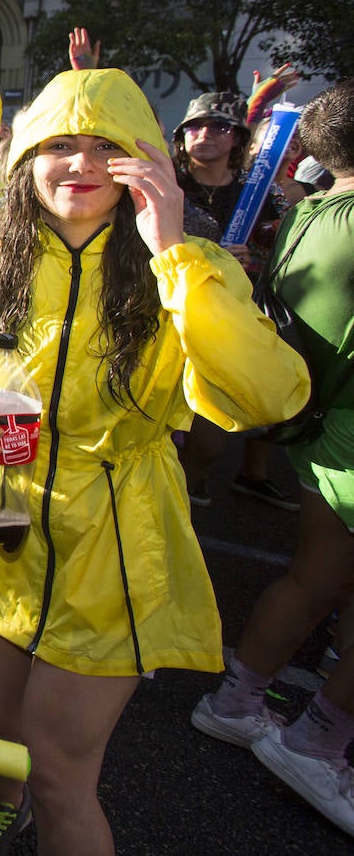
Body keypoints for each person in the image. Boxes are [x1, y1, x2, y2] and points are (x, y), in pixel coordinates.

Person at [0, 67, 310, 855]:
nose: (80, 163)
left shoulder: (193, 271)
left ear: (146, 163)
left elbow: (269, 396)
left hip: (116, 546)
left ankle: (40, 807)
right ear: (26, 161)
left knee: (63, 773)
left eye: (105, 146)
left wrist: (171, 252)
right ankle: (5, 801)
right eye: (59, 144)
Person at [191, 80, 354, 838]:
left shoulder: (309, 213)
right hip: (335, 425)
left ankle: (246, 700)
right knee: (318, 577)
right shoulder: (333, 216)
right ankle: (316, 734)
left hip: (316, 416)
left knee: (318, 577)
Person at [170, 91, 299, 511]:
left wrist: (256, 258)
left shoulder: (258, 192)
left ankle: (187, 488)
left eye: (219, 126)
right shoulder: (165, 182)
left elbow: (293, 238)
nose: (204, 134)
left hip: (225, 322)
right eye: (195, 126)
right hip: (163, 315)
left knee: (208, 440)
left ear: (238, 140)